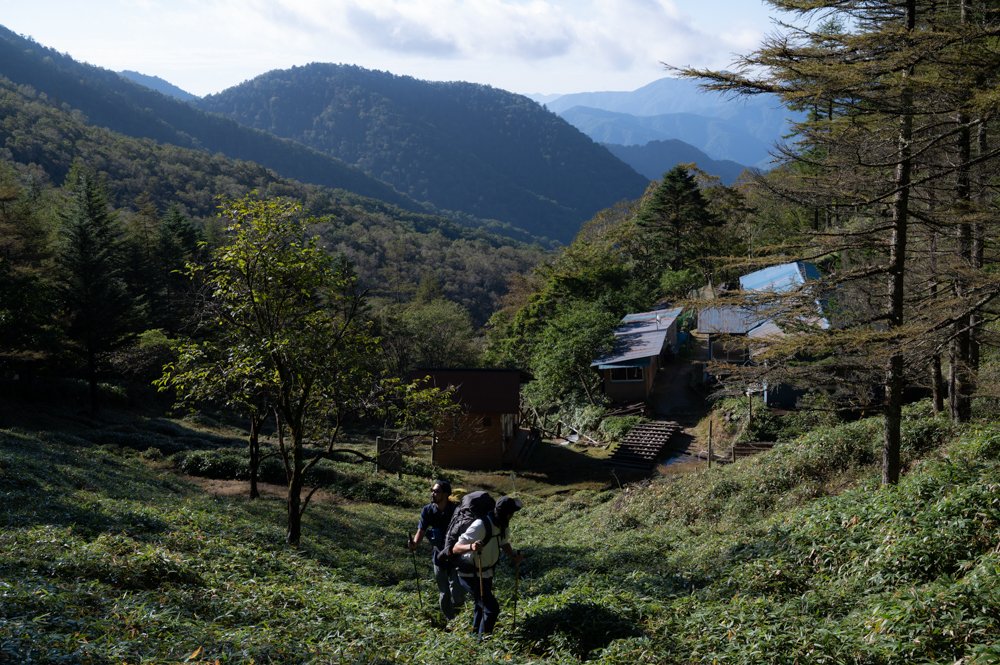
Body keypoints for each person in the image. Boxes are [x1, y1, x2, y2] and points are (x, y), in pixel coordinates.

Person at [451, 496, 524, 635]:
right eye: (511, 514)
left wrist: (514, 556)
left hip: (486, 573)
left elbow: (503, 543)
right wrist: (471, 546)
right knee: (491, 608)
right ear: (506, 514)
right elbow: (456, 548)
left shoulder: (502, 525)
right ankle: (484, 642)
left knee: (481, 607)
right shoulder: (480, 525)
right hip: (470, 574)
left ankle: (474, 638)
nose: (512, 516)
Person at [408, 479, 465, 620]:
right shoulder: (428, 510)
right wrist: (415, 542)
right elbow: (421, 530)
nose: (433, 494)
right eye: (432, 491)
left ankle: (459, 617)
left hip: (455, 555)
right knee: (444, 592)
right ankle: (449, 620)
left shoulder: (455, 511)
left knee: (457, 592)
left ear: (446, 494)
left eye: (437, 491)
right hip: (438, 555)